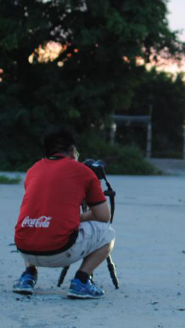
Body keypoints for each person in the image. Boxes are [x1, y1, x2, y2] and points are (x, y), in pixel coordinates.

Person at [13, 128, 115, 299]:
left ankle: (28, 276)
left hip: (25, 249)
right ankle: (81, 280)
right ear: (73, 150)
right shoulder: (82, 171)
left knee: (33, 224)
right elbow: (104, 216)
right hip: (59, 252)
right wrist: (80, 217)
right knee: (108, 233)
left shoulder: (33, 170)